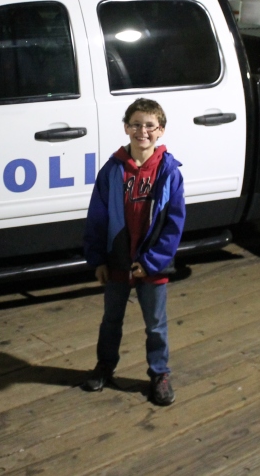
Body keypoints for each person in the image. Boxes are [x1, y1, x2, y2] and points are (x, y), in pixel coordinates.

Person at [82, 98, 186, 406]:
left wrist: (152, 262)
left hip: (153, 265)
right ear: (126, 128)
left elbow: (174, 225)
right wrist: (98, 258)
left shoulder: (169, 172)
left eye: (150, 125)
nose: (143, 131)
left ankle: (160, 374)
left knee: (155, 324)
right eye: (136, 124)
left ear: (161, 130)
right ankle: (105, 366)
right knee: (111, 319)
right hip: (116, 260)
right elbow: (97, 217)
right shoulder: (112, 171)